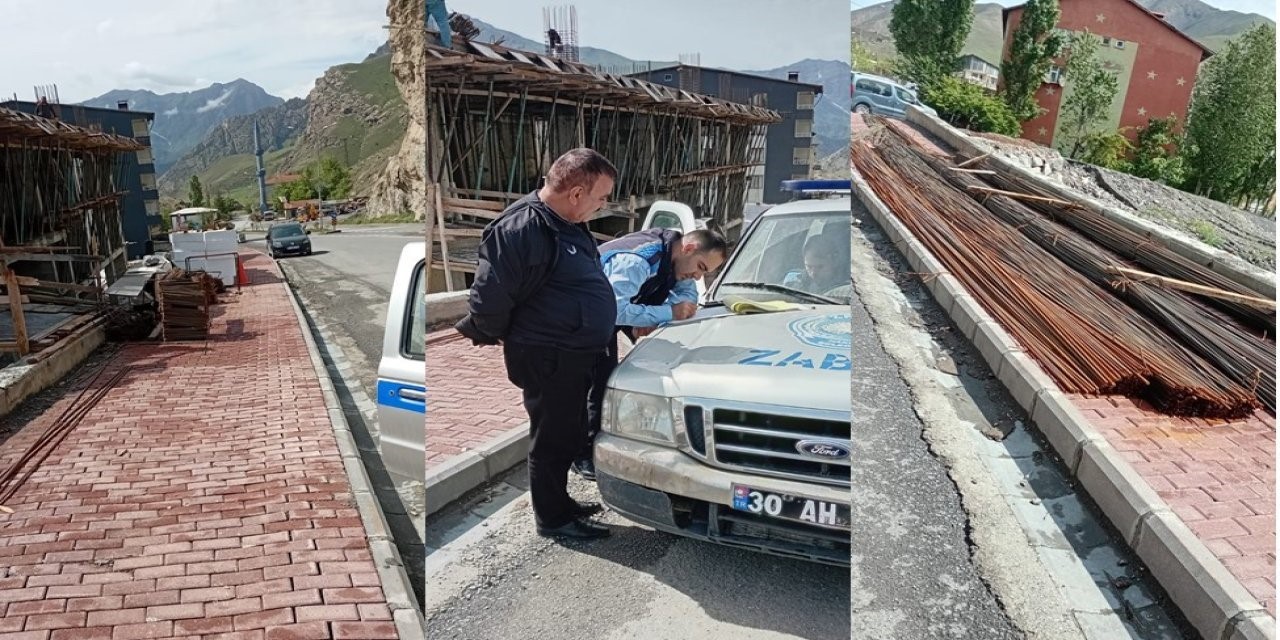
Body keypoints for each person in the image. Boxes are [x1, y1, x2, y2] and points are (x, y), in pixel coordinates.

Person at [455, 148, 618, 540]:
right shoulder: (522, 229)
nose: (603, 205)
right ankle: (553, 519)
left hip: (571, 352)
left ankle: (561, 503)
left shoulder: (565, 221)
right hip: (549, 354)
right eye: (601, 197)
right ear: (577, 193)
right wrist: (501, 333)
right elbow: (487, 300)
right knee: (551, 439)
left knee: (569, 432)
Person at [574, 227, 729, 480]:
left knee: (607, 378)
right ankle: (580, 454)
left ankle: (596, 445)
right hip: (581, 316)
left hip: (606, 313)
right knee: (591, 385)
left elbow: (687, 297)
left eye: (705, 273)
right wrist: (667, 312)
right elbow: (614, 309)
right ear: (688, 248)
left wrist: (653, 314)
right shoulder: (639, 259)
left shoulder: (677, 258)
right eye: (700, 267)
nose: (698, 276)